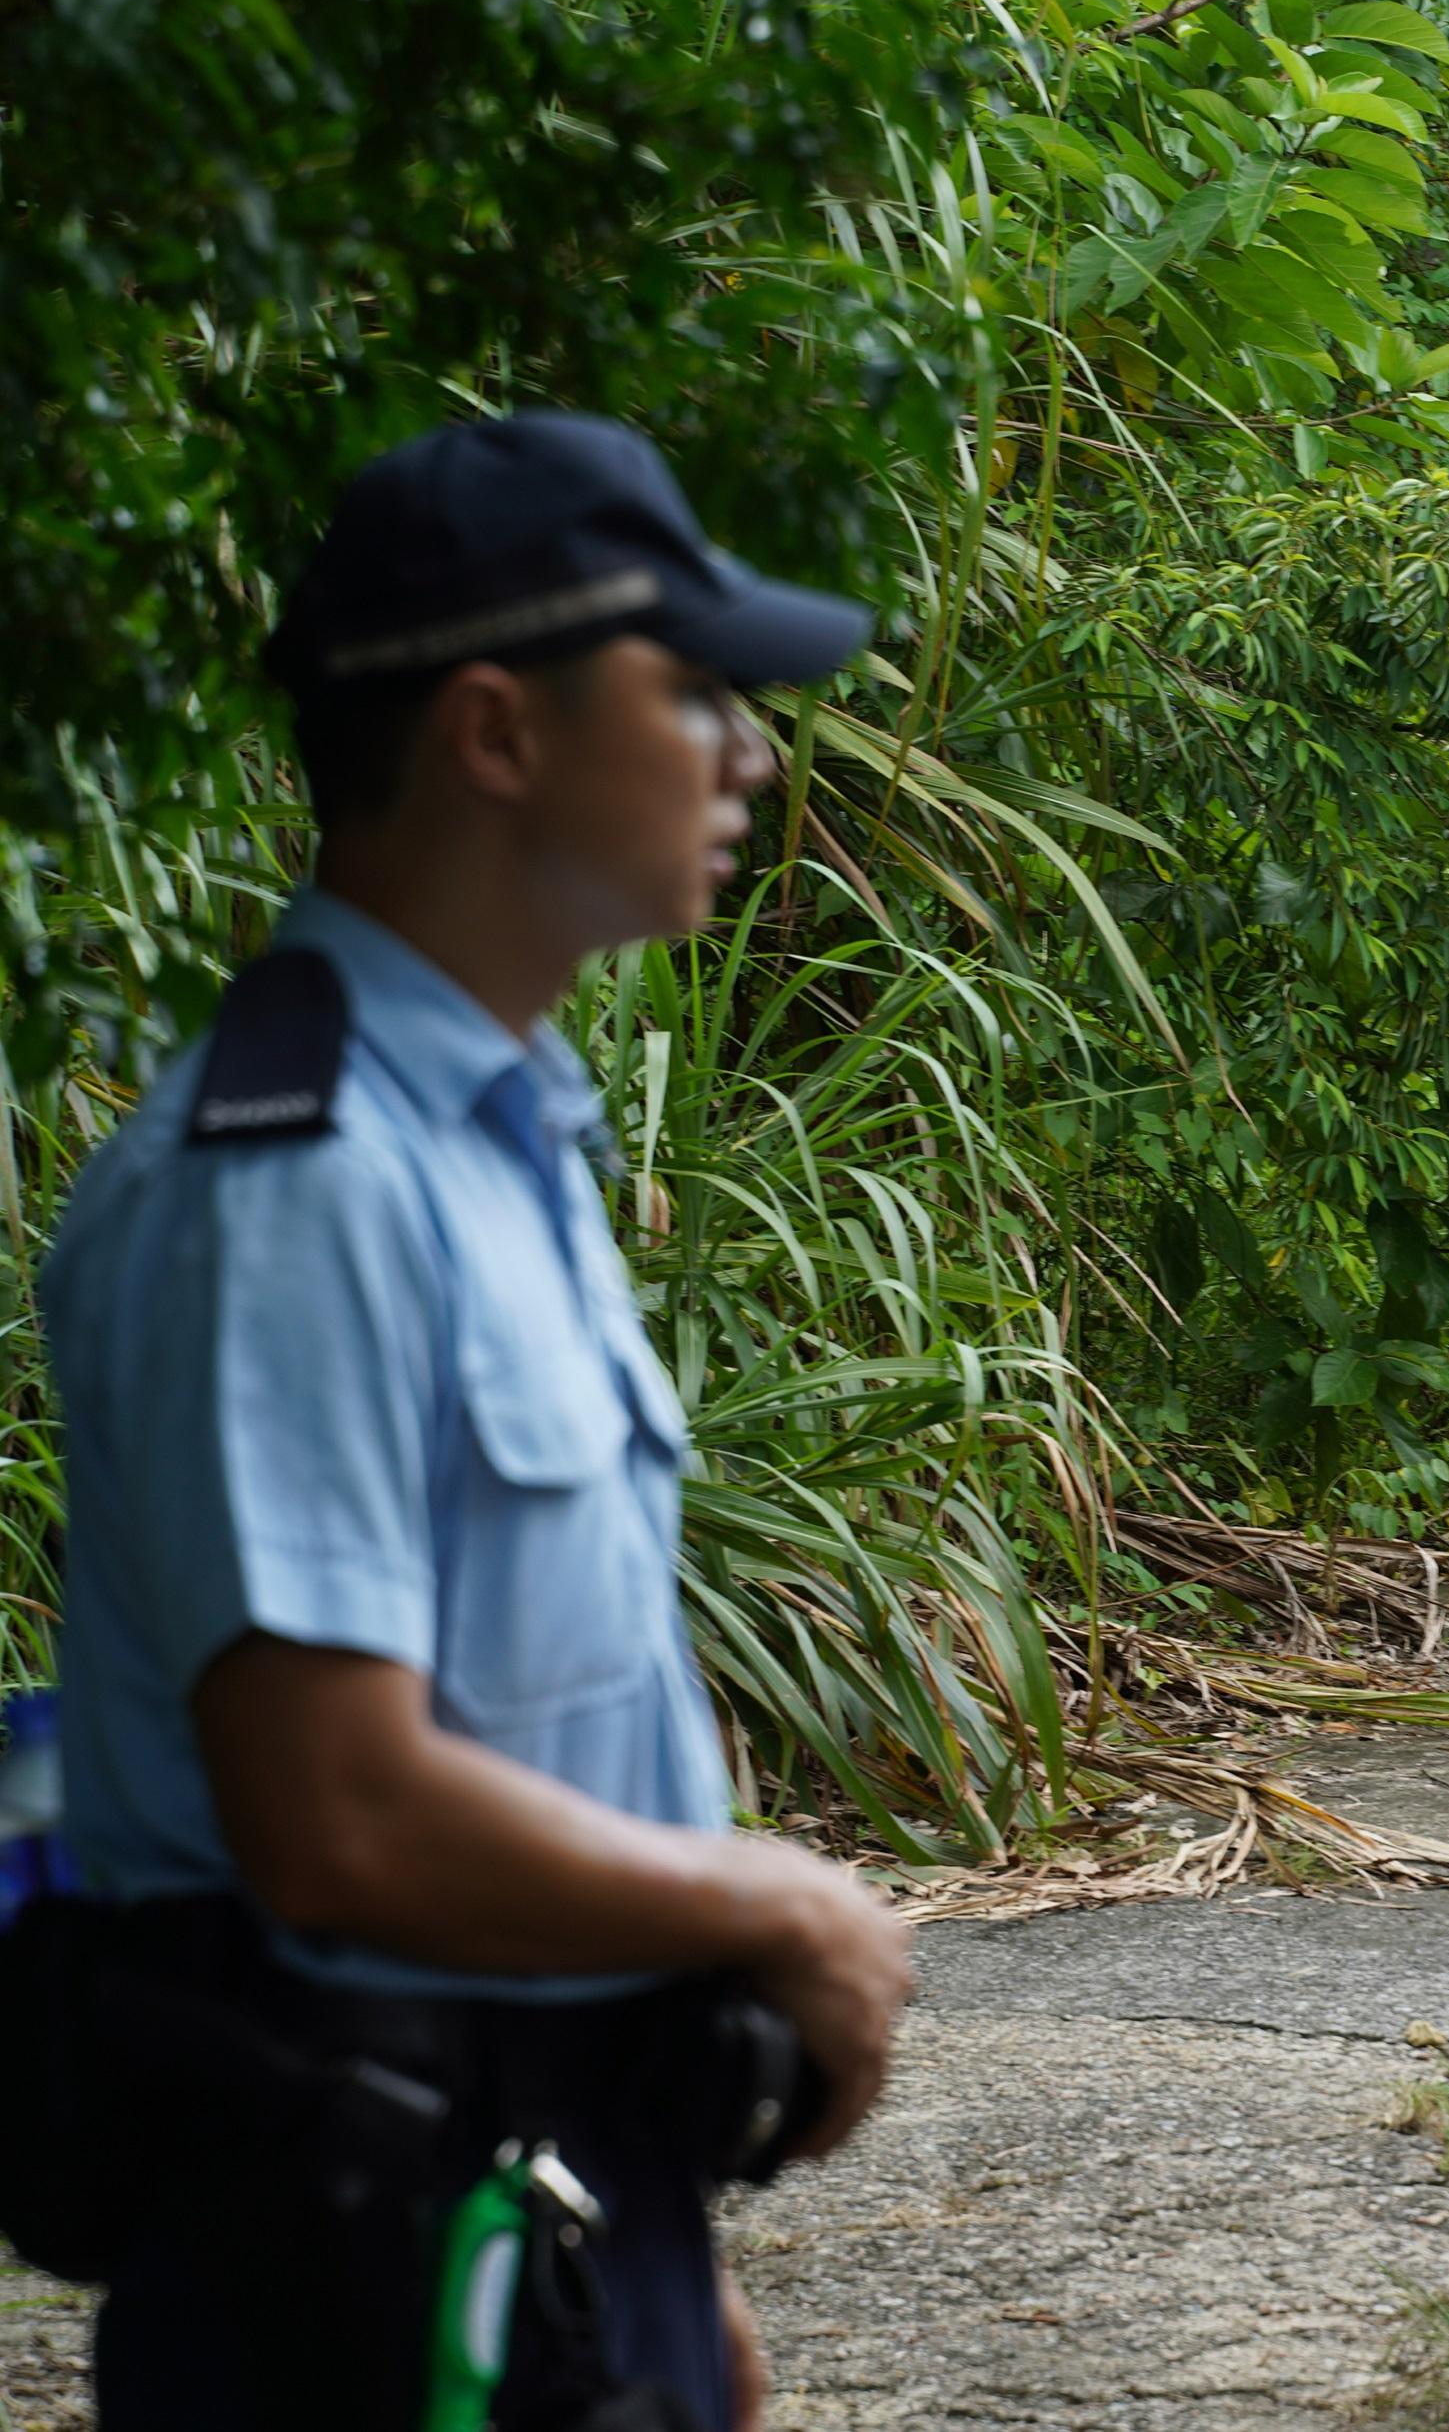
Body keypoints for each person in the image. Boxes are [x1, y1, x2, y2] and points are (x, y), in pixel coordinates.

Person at [23, 413, 919, 2432]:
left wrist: (669, 2253)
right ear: (496, 731)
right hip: (347, 2264)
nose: (748, 756)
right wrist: (784, 1899)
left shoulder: (494, 1136)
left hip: (538, 2205)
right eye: (692, 692)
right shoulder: (296, 1185)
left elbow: (535, 1726)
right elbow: (339, 1816)